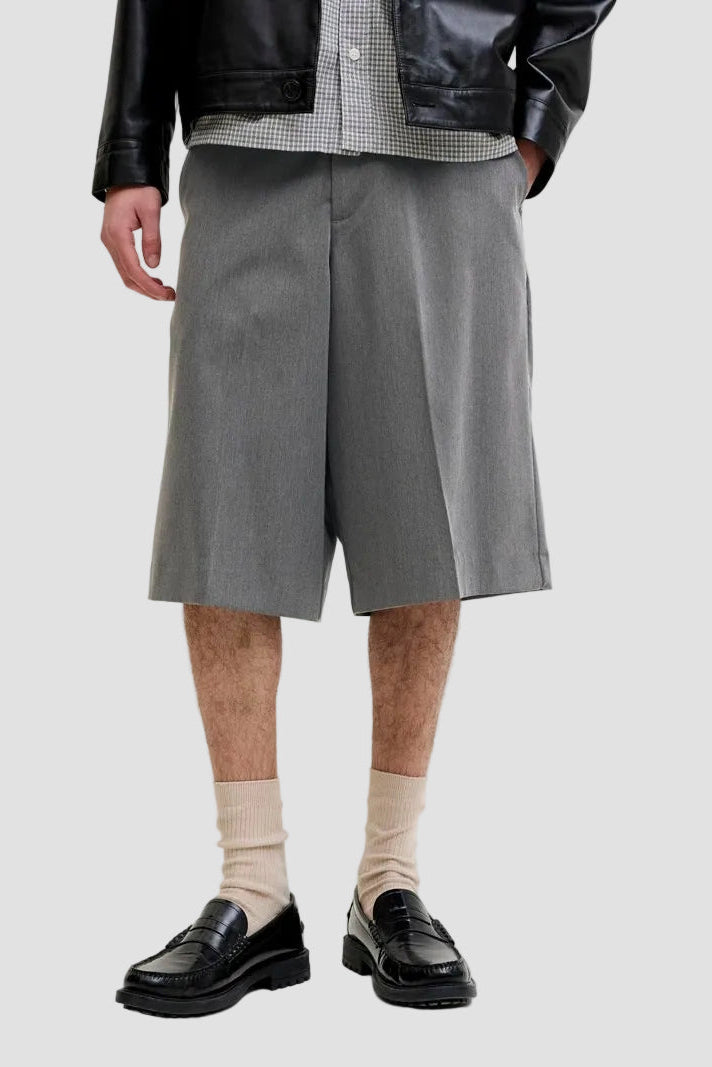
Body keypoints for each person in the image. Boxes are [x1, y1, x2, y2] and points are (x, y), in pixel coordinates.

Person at [94, 0, 615, 1015]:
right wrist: (129, 152)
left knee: (426, 523)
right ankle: (253, 888)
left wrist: (537, 121)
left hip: (449, 147)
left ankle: (391, 878)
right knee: (225, 513)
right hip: (250, 146)